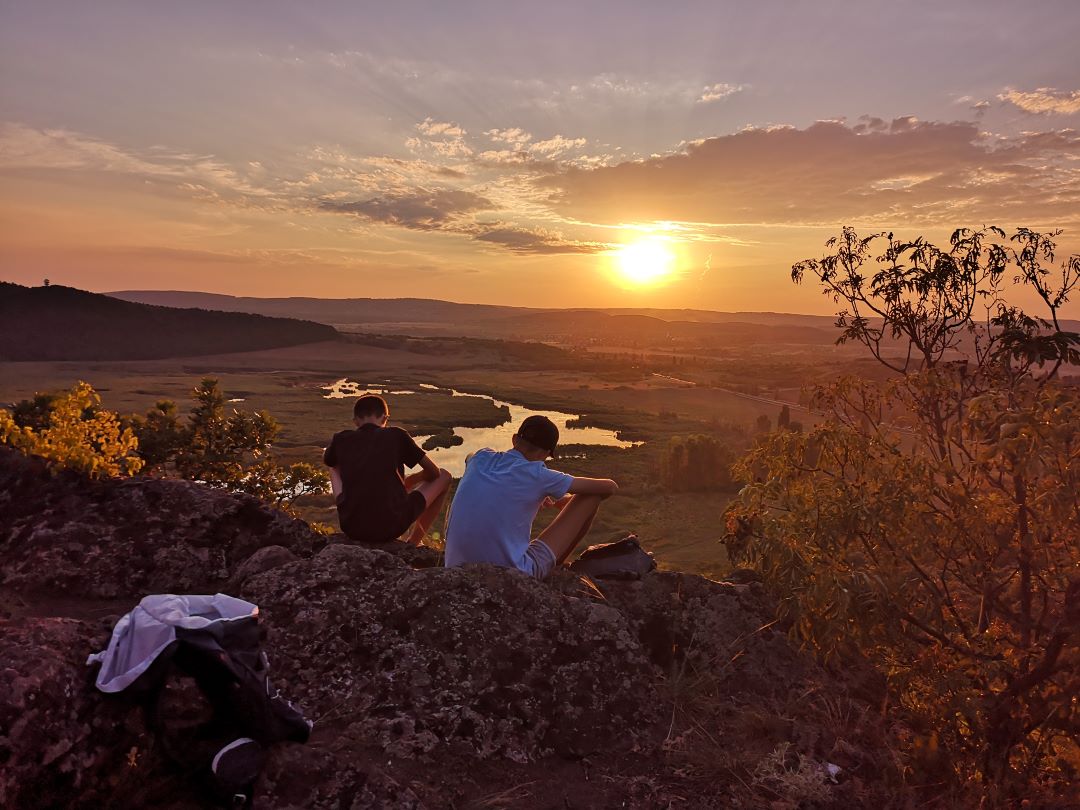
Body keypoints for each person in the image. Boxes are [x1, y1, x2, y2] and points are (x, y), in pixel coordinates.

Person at [444, 414, 618, 578]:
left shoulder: (481, 457)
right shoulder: (538, 474)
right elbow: (609, 487)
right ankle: (555, 567)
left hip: (454, 568)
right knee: (591, 497)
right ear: (545, 454)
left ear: (514, 439)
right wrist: (566, 498)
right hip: (510, 575)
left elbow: (469, 457)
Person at [324, 394, 451, 545]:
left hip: (352, 527)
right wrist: (411, 480)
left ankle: (349, 507)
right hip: (392, 525)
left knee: (333, 465)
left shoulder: (341, 438)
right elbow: (434, 472)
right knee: (445, 476)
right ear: (385, 418)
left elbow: (328, 460)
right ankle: (414, 542)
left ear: (356, 421)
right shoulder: (397, 435)